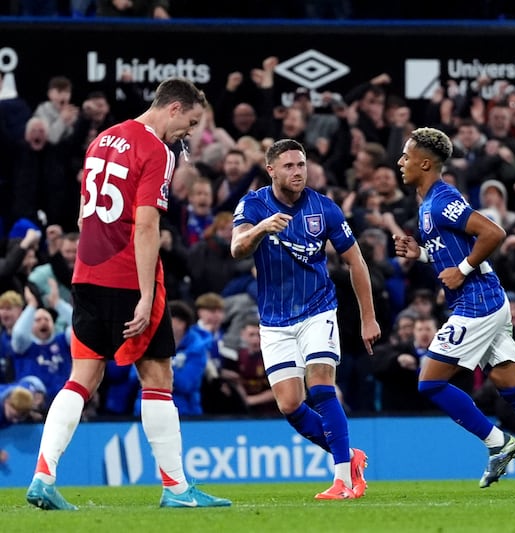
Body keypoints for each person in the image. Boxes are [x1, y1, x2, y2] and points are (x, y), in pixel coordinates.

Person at [25, 77, 231, 511]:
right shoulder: (155, 148)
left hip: (86, 273)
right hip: (127, 277)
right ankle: (176, 488)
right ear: (173, 109)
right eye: (190, 123)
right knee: (158, 378)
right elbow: (145, 225)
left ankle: (43, 476)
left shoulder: (102, 139)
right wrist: (143, 293)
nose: (188, 134)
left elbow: (85, 218)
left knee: (81, 378)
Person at [392, 127, 515, 496]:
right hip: (487, 301)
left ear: (425, 162)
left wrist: (464, 269)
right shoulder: (425, 207)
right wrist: (417, 254)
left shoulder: (442, 199)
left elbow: (493, 233)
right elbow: (447, 256)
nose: (400, 161)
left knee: (430, 382)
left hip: (476, 302)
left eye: (405, 155)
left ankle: (498, 442)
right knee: (510, 386)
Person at [230, 138, 380, 500]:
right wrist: (261, 228)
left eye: (301, 165)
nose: (297, 172)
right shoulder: (253, 205)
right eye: (289, 166)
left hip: (318, 310)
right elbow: (236, 249)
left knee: (321, 386)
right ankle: (350, 457)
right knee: (290, 405)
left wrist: (368, 318)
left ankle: (343, 480)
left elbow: (355, 262)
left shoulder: (323, 208)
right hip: (275, 320)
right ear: (271, 170)